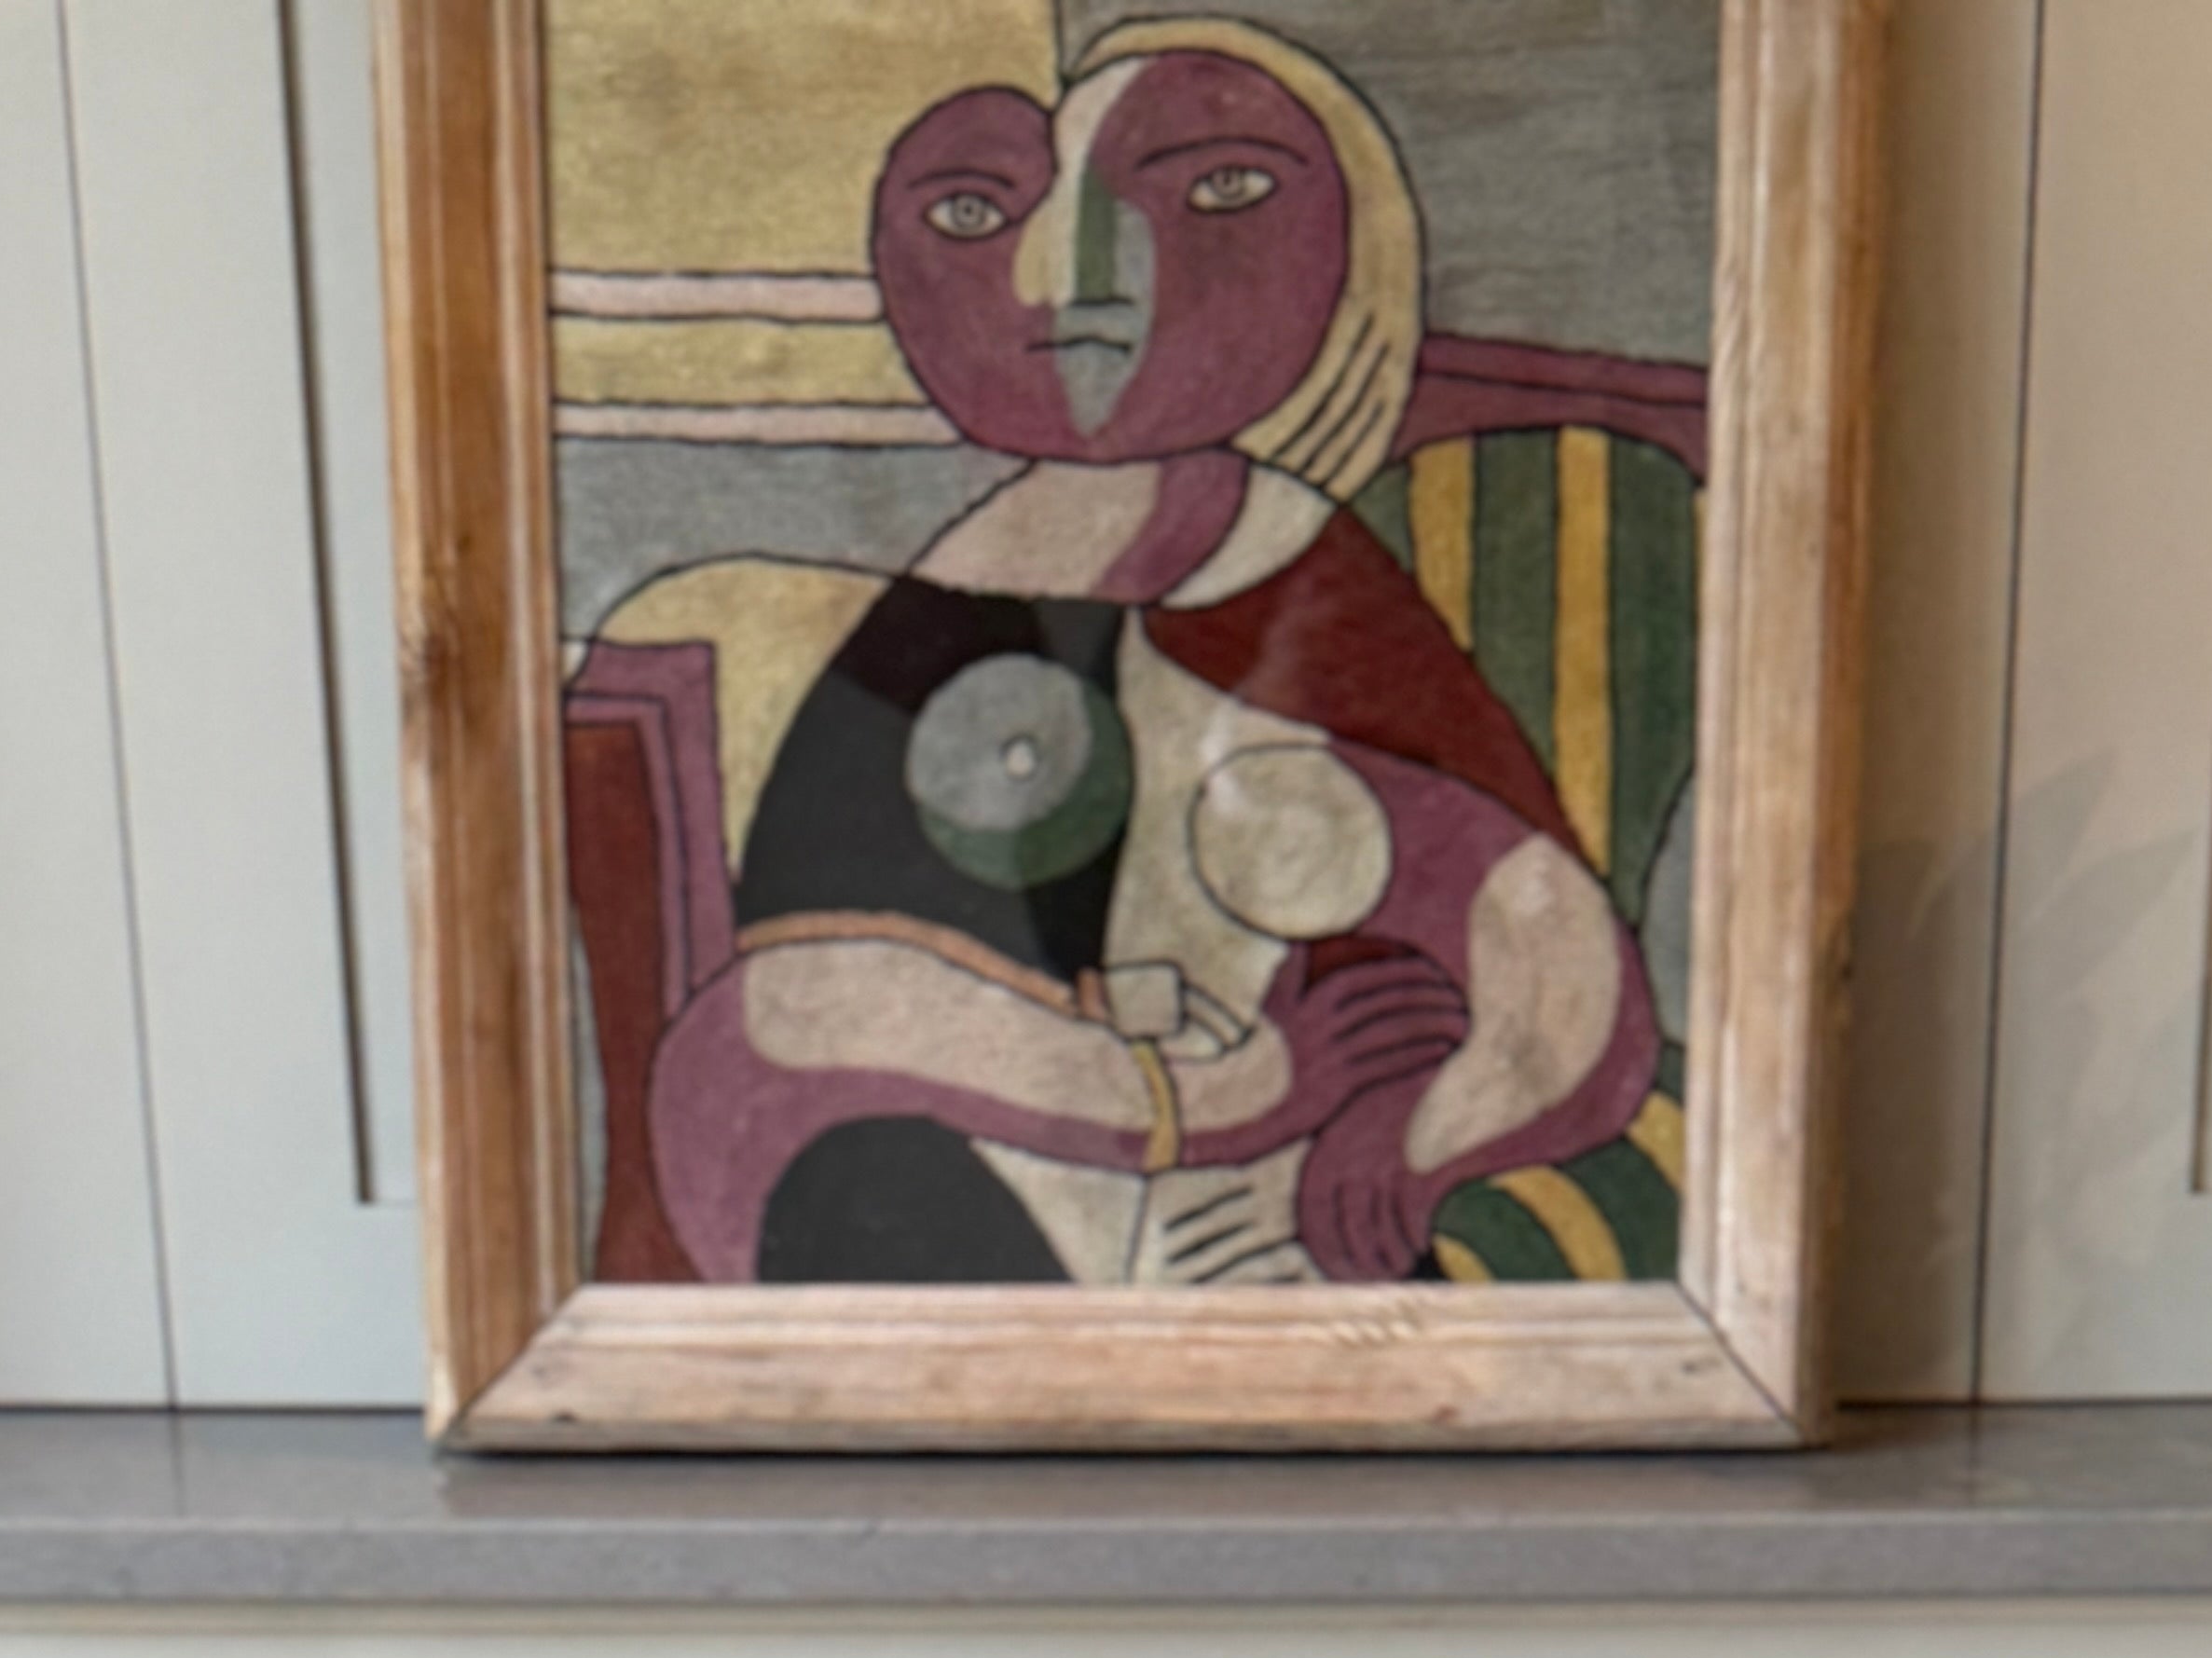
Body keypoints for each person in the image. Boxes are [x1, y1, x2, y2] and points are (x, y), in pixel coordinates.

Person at [610, 20, 1662, 1286]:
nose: (1068, 279)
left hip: (1263, 1252)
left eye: (1217, 191)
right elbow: (780, 1025)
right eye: (972, 211)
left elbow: (1555, 969)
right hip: (949, 1223)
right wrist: (1204, 1095)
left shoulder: (1297, 580)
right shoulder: (949, 600)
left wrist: (1415, 1139)